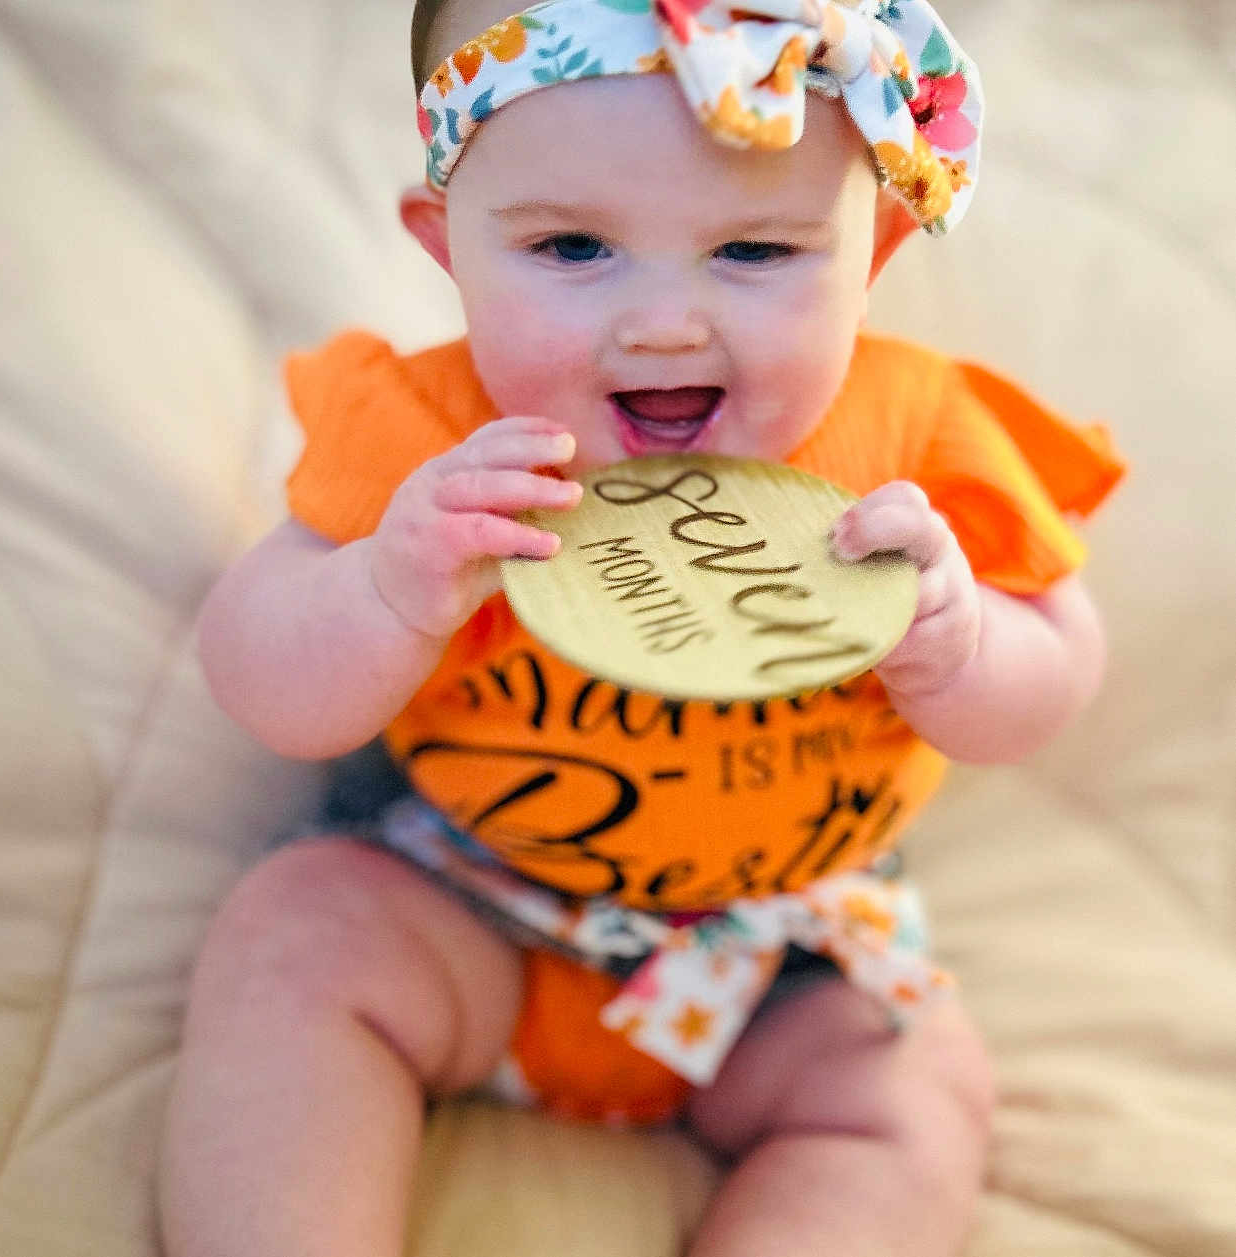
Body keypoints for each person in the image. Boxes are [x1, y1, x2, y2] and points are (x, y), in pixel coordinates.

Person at [158, 0, 1125, 1253]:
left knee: (913, 1093)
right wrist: (386, 588)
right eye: (571, 249)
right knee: (292, 935)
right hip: (464, 904)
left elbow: (1062, 665)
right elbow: (257, 677)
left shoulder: (914, 442)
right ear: (447, 246)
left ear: (872, 249)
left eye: (756, 253)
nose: (666, 322)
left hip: (783, 953)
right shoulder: (433, 444)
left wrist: (964, 643)